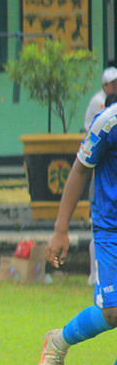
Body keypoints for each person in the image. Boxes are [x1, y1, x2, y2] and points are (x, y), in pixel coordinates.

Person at [39, 84, 117, 365]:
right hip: (110, 226)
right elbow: (80, 170)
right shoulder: (108, 122)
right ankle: (58, 342)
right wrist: (61, 230)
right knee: (113, 311)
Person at [81, 67, 117, 285]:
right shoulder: (100, 107)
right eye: (112, 83)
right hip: (102, 180)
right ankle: (95, 275)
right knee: (99, 229)